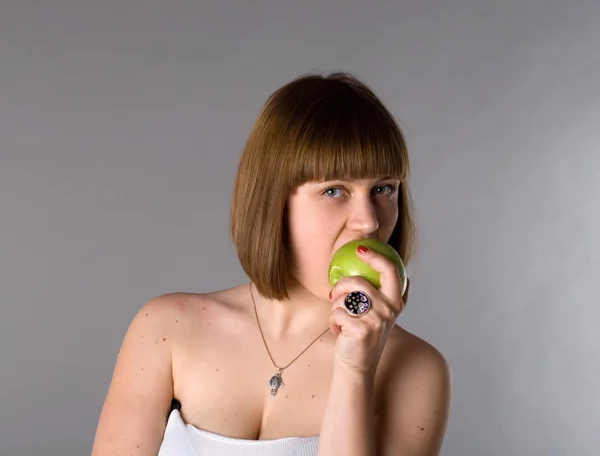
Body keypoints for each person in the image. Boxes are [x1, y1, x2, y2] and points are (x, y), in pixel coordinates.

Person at [91, 71, 452, 456]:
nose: (368, 221)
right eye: (334, 190)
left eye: (383, 189)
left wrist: (356, 369)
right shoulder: (166, 330)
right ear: (273, 201)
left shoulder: (417, 371)